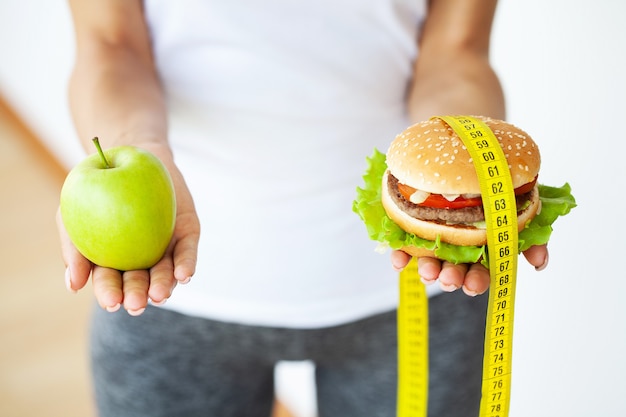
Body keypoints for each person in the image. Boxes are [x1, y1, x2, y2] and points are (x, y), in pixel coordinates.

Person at [58, 1, 549, 416]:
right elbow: (110, 44)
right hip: (166, 288)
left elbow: (457, 49)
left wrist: (463, 177)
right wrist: (140, 150)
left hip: (415, 292)